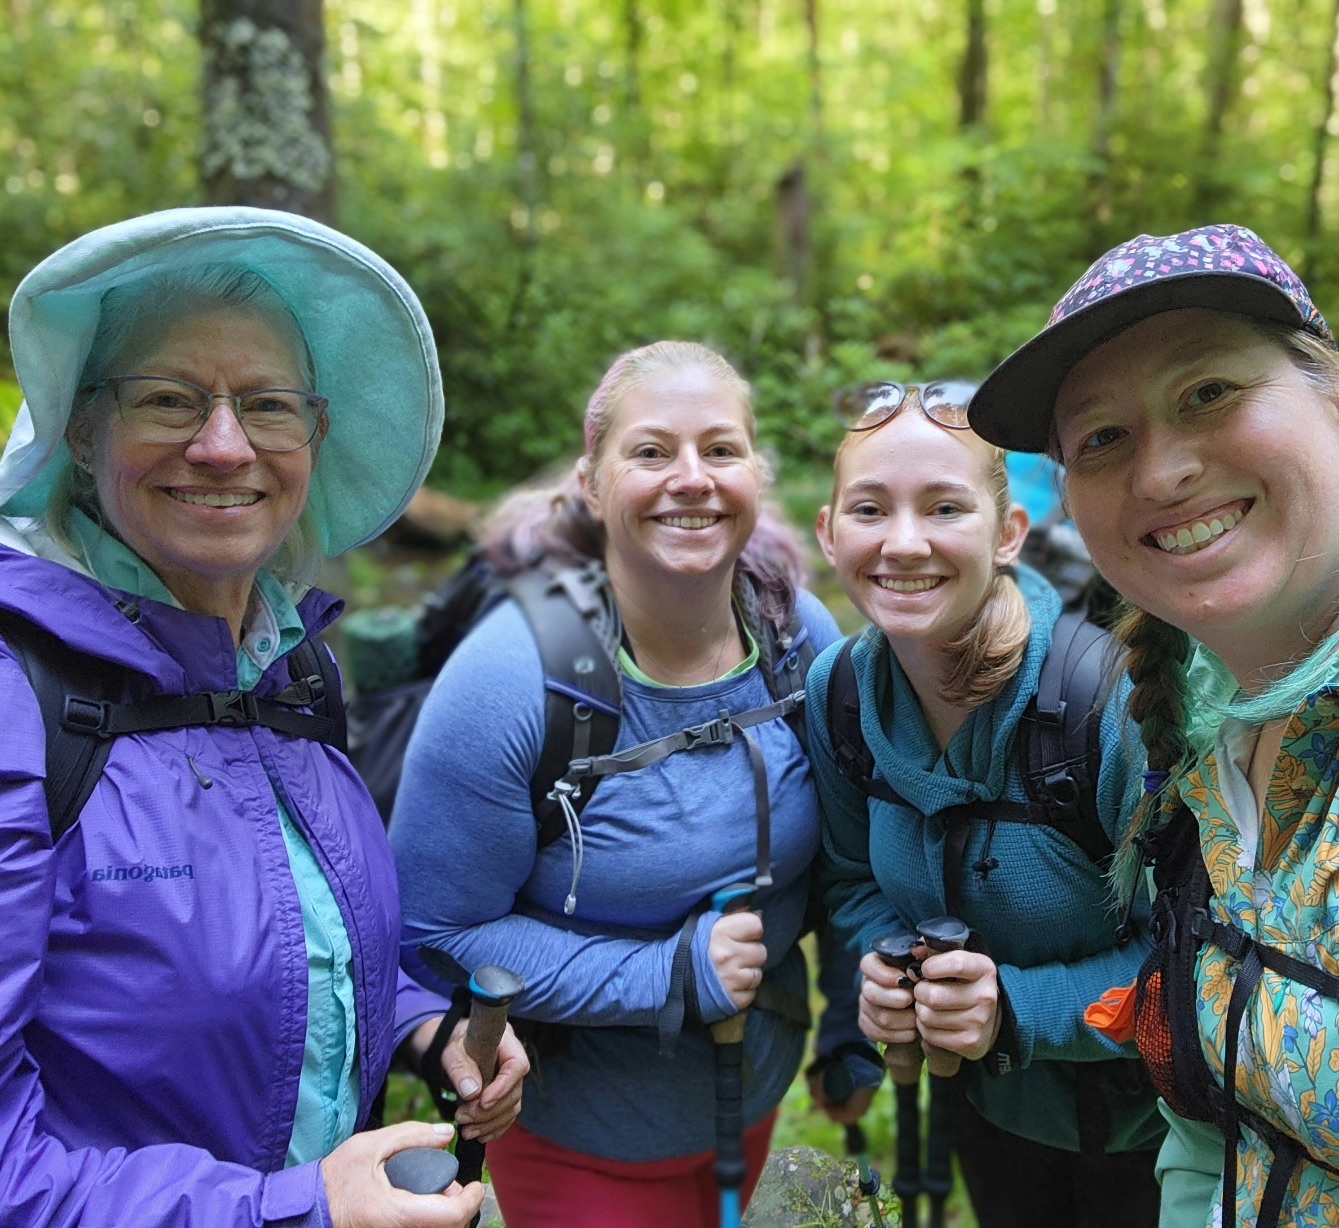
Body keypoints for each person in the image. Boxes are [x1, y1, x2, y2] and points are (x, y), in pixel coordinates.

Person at [0, 207, 527, 1228]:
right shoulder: (22, 699)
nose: (224, 444)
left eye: (270, 405)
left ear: (315, 436)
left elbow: (281, 928)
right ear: (81, 425)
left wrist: (421, 1027)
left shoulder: (290, 671)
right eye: (168, 397)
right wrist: (294, 1208)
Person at [967, 222, 1339, 1227]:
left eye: (1208, 392)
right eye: (1103, 438)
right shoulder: (1188, 730)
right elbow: (1207, 1123)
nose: (1162, 471)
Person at [389, 341, 875, 1228]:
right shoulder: (511, 679)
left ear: (756, 474)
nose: (691, 477)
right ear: (590, 483)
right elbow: (433, 930)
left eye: (720, 450)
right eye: (651, 452)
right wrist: (666, 975)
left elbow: (844, 848)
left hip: (752, 1094)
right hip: (579, 1136)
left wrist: (850, 1016)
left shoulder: (794, 632)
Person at [808, 379, 1166, 1228]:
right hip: (983, 1106)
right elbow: (852, 877)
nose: (902, 544)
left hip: (1152, 1129)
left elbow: (1192, 960)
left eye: (943, 509)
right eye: (868, 510)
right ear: (827, 534)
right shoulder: (841, 696)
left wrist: (1014, 1009)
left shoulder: (1103, 704)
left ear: (1009, 535)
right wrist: (886, 982)